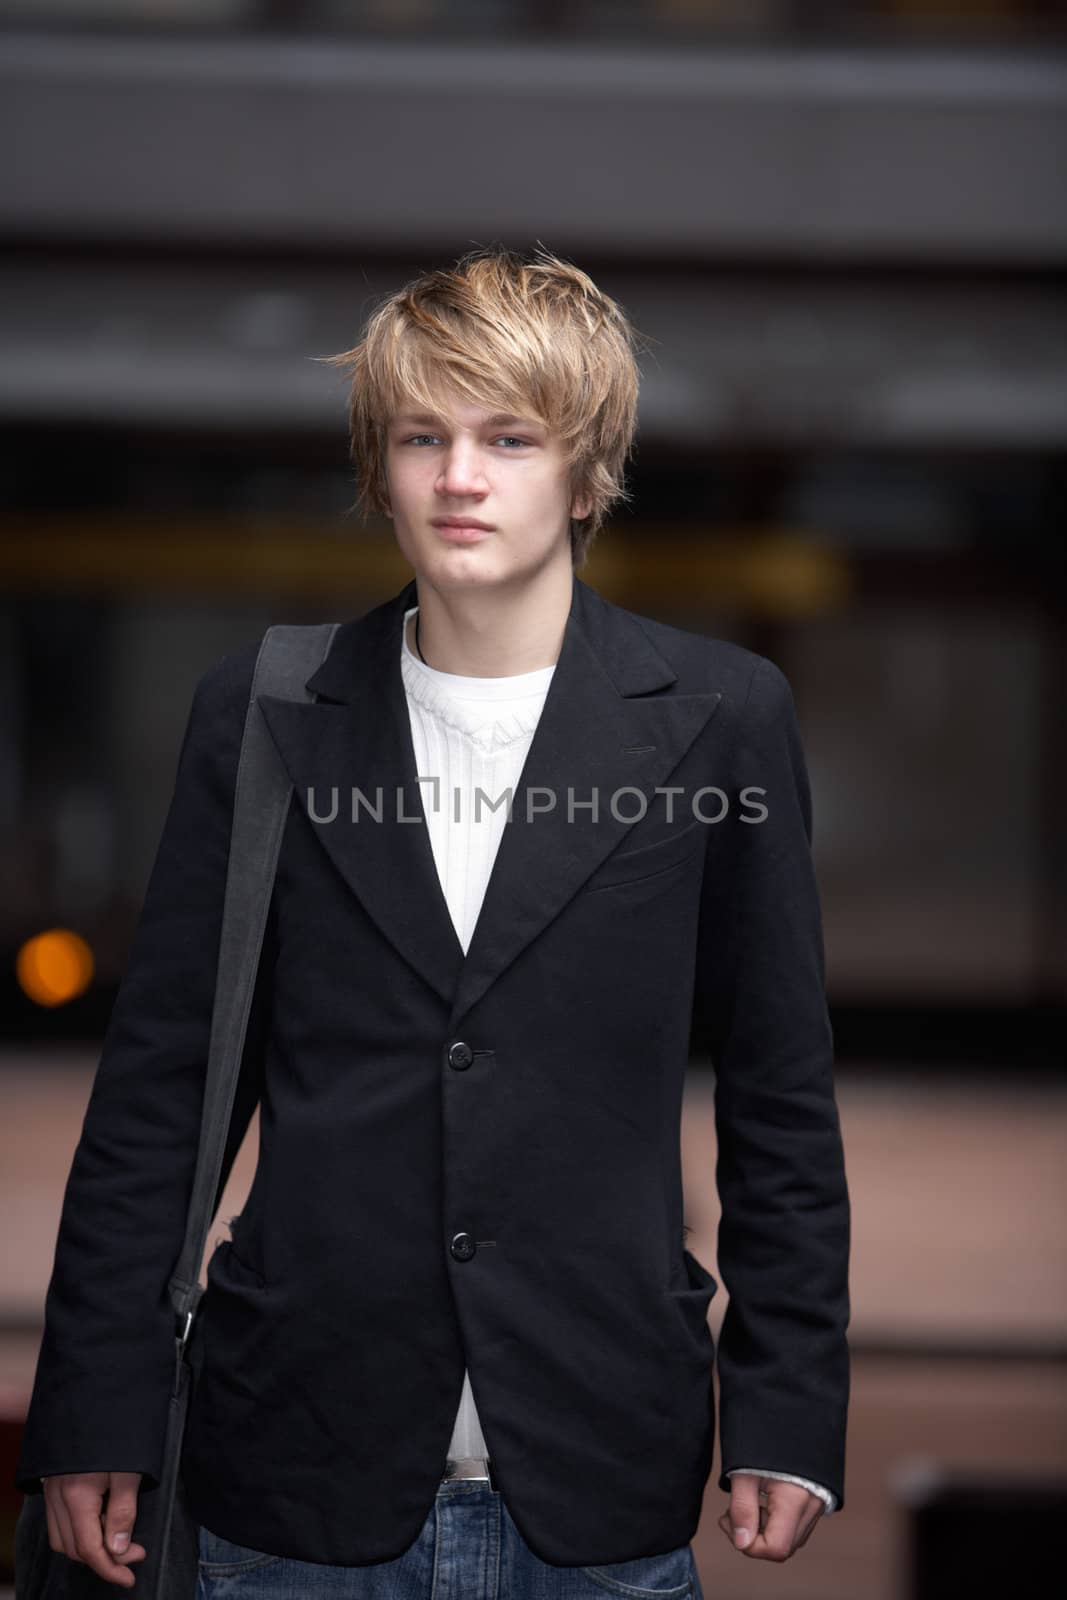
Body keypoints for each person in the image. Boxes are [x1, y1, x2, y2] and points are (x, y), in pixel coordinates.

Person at [15, 245, 850, 1596]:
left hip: (599, 1464)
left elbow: (780, 1098)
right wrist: (94, 1403)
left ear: (586, 476)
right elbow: (160, 1095)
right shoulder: (266, 715)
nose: (460, 476)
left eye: (509, 437)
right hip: (295, 1468)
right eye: (424, 437)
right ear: (381, 470)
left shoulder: (721, 720)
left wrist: (791, 1405)